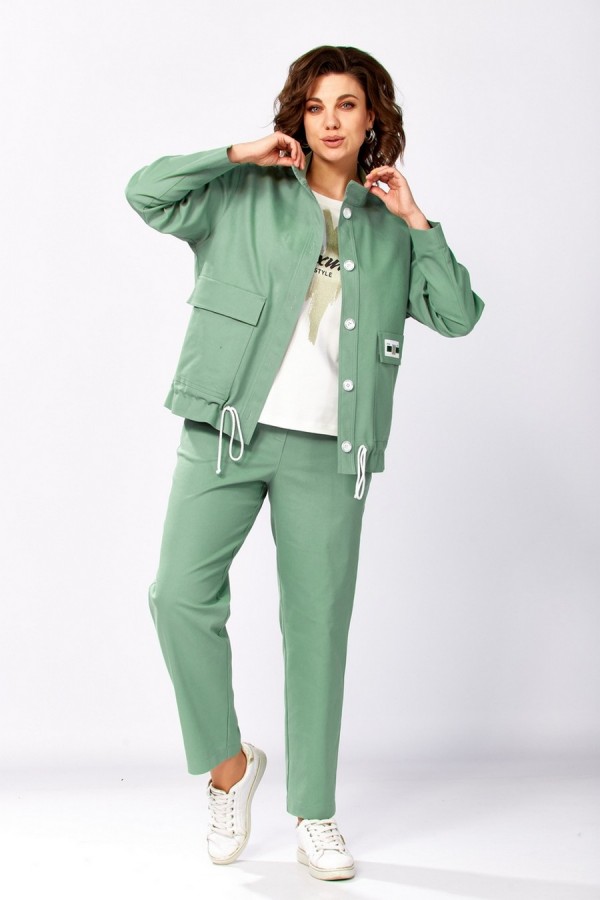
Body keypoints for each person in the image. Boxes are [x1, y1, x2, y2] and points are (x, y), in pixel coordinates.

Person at [125, 44, 484, 882]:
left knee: (318, 630)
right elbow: (146, 193)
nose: (330, 120)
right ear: (298, 113)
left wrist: (417, 221)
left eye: (347, 104)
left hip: (330, 450)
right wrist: (237, 151)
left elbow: (458, 314)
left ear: (372, 118)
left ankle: (315, 813)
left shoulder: (388, 228)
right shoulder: (246, 193)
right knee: (177, 594)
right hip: (227, 426)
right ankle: (229, 768)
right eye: (316, 104)